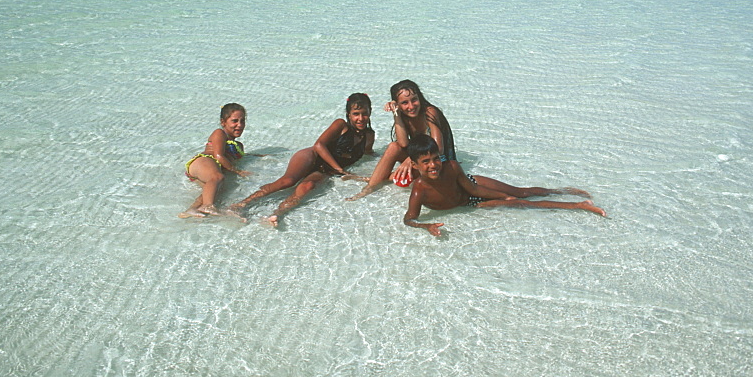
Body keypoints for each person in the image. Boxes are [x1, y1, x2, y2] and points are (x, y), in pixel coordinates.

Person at [402, 135, 605, 236]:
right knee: (520, 203)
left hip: (472, 186)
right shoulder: (419, 189)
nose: (433, 165)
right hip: (470, 203)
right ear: (414, 165)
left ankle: (559, 191)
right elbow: (409, 219)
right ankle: (579, 206)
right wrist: (426, 226)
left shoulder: (452, 167)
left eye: (436, 158)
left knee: (520, 192)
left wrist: (501, 195)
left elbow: (473, 189)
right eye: (426, 161)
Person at [228, 94, 375, 227]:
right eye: (356, 114)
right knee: (287, 181)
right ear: (348, 114)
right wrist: (339, 169)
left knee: (307, 186)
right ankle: (241, 205)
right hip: (312, 156)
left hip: (326, 169)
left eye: (365, 114)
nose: (360, 118)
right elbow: (319, 145)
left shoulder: (368, 136)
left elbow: (368, 154)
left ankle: (276, 214)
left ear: (370, 113)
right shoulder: (341, 124)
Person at [346, 80, 454, 200]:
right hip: (419, 158)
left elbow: (438, 148)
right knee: (394, 146)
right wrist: (396, 114)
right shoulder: (403, 115)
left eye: (414, 99)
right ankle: (369, 188)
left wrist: (411, 159)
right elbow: (403, 143)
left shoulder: (430, 112)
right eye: (404, 103)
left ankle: (374, 179)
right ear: (397, 104)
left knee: (402, 174)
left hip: (438, 161)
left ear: (420, 97)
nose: (411, 106)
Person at [179, 103, 253, 218]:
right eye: (234, 121)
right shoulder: (220, 133)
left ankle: (192, 209)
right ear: (223, 122)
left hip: (212, 169)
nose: (239, 125)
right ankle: (207, 206)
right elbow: (219, 156)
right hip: (204, 161)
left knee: (216, 189)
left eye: (242, 121)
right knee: (217, 177)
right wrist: (237, 171)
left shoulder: (239, 145)